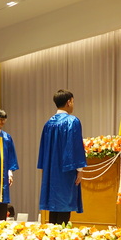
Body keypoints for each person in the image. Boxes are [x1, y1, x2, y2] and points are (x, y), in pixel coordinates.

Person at [38, 89, 86, 224]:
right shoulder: (72, 121)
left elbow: (43, 149)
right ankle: (61, 234)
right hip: (66, 169)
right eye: (73, 101)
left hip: (51, 170)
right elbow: (75, 146)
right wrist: (80, 169)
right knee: (65, 203)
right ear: (68, 102)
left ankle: (52, 234)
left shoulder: (48, 124)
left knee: (54, 205)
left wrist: (44, 169)